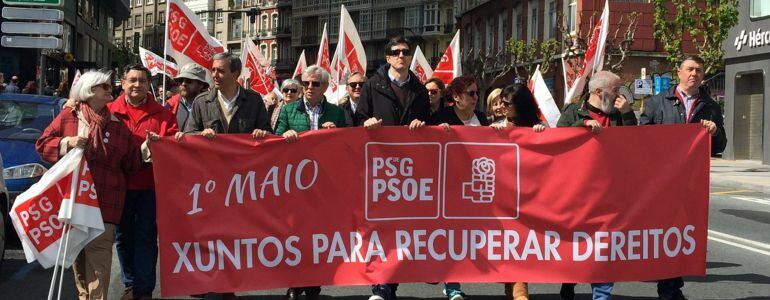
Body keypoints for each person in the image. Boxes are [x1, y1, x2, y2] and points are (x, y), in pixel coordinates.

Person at [35, 70, 144, 300]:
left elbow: (132, 164)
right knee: (79, 259)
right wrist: (68, 142)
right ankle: (85, 297)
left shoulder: (118, 126)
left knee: (99, 261)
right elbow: (43, 145)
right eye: (104, 86)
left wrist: (146, 149)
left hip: (106, 203)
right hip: (75, 200)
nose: (110, 89)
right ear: (89, 90)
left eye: (110, 86)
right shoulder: (69, 116)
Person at [640, 55, 726, 300]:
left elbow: (720, 145)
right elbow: (641, 139)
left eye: (698, 70)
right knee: (664, 232)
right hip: (661, 181)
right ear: (679, 72)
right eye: (689, 69)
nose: (694, 74)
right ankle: (668, 287)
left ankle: (672, 285)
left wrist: (714, 132)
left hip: (691, 182)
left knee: (681, 235)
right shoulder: (657, 102)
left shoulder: (710, 106)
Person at [355, 35, 431, 300]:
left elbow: (428, 123)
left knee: (401, 227)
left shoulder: (420, 90)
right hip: (379, 165)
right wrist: (366, 123)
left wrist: (422, 125)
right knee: (380, 226)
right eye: (396, 52)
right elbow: (358, 119)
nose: (401, 56)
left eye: (405, 52)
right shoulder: (372, 85)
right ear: (387, 57)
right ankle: (381, 283)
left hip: (409, 168)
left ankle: (390, 284)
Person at [556, 71, 637, 300]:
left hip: (609, 193)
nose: (620, 95)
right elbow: (557, 138)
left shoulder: (619, 115)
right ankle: (569, 280)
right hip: (578, 191)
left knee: (604, 245)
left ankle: (601, 295)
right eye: (615, 90)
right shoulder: (574, 111)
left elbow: (635, 143)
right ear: (600, 92)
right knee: (577, 243)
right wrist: (581, 124)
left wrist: (628, 114)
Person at [275, 67, 347, 300]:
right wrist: (284, 135)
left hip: (325, 182)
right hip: (296, 181)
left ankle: (314, 282)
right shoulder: (288, 109)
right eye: (305, 83)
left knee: (318, 235)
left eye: (315, 84)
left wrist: (336, 132)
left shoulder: (336, 112)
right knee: (295, 234)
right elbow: (275, 138)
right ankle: (295, 282)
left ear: (325, 87)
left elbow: (348, 143)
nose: (309, 87)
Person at [110, 64, 178, 300]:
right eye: (132, 80)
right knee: (123, 237)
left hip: (151, 187)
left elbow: (174, 146)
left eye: (142, 80)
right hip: (119, 187)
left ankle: (144, 289)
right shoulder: (109, 111)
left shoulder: (163, 114)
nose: (137, 84)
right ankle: (130, 284)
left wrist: (162, 145)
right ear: (123, 83)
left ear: (149, 84)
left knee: (146, 237)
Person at [182, 52, 272, 139]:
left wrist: (262, 133)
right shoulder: (201, 101)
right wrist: (201, 134)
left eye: (221, 71)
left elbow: (269, 134)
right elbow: (189, 134)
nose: (215, 75)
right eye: (213, 70)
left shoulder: (254, 100)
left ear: (235, 74)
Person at [165, 63, 209, 131]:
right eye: (181, 80)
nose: (183, 84)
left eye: (189, 80)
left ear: (201, 85)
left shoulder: (210, 106)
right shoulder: (170, 106)